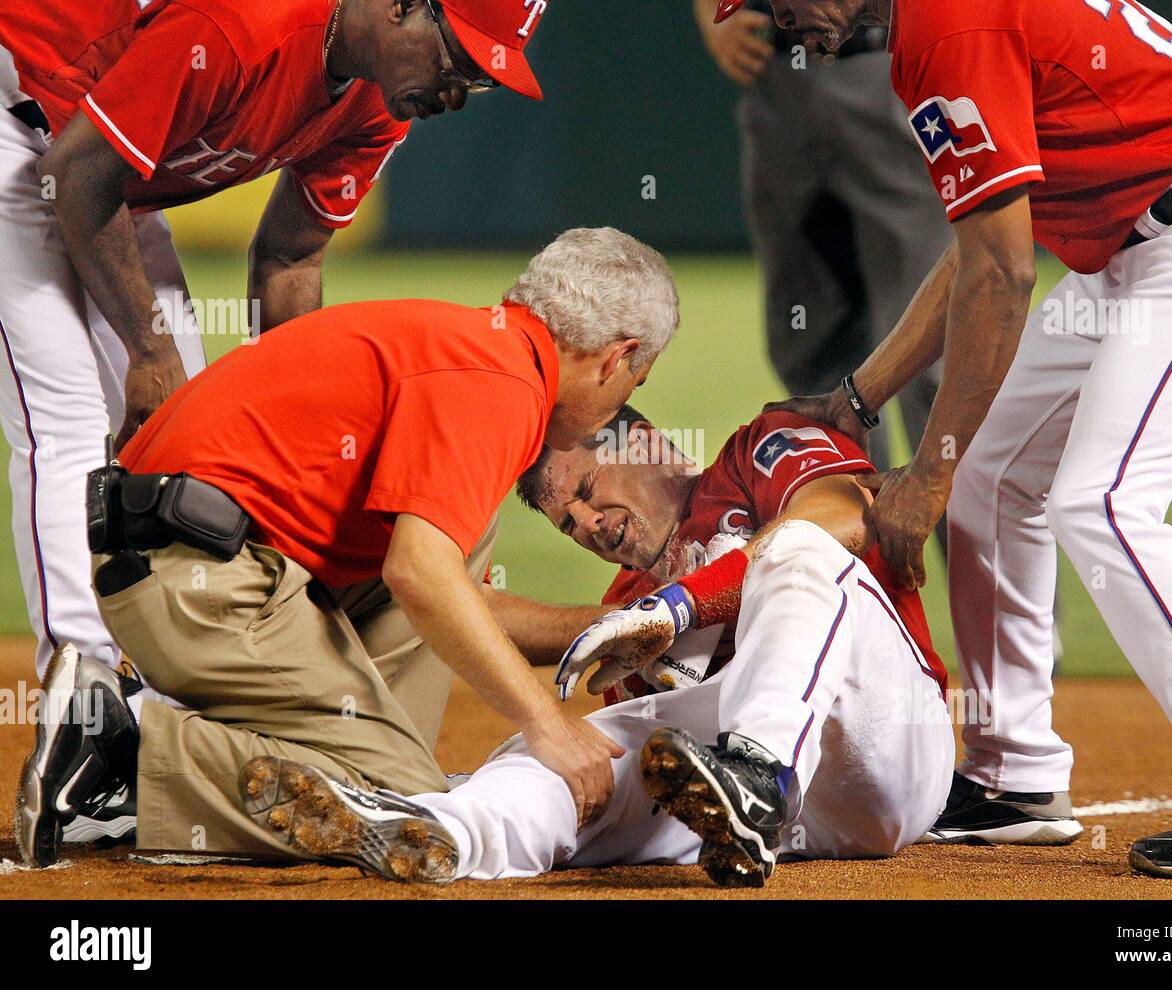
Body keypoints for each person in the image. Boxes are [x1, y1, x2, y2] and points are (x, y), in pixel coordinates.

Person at [715, 0, 1172, 877]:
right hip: (1146, 239)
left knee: (1105, 501)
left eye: (780, 1)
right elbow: (975, 250)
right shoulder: (937, 28)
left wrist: (925, 478)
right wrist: (859, 398)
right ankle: (1012, 774)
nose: (781, 22)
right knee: (991, 482)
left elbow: (1004, 274)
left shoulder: (949, 29)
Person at [15, 227, 678, 872]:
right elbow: (419, 575)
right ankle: (120, 739)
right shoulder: (500, 379)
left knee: (462, 537)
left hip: (187, 555)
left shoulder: (476, 343)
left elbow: (448, 594)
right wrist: (549, 726)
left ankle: (300, 748)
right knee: (395, 806)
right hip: (199, 579)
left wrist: (600, 630)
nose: (621, 401)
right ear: (617, 356)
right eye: (634, 383)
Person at [0, 0, 550, 688]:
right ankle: (79, 701)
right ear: (404, 6)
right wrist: (150, 351)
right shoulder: (245, 24)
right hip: (20, 120)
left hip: (99, 165)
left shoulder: (379, 104)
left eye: (480, 78)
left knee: (186, 440)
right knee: (69, 421)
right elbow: (80, 173)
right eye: (457, 58)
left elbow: (289, 259)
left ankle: (167, 678)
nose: (456, 91)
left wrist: (296, 439)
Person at [232, 403, 953, 888]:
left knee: (794, 549)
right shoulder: (620, 615)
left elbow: (843, 520)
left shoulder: (754, 453)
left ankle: (759, 774)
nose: (586, 522)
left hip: (886, 747)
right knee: (578, 750)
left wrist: (679, 608)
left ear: (640, 442)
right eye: (565, 522)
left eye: (584, 487)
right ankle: (438, 829)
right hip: (794, 828)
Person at [691, 0, 951, 485]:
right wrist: (709, 13)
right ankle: (854, 555)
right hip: (776, 77)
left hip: (888, 64)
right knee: (813, 347)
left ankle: (973, 561)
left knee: (933, 355)